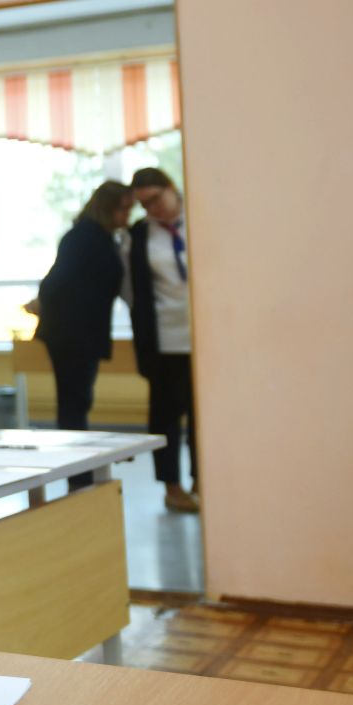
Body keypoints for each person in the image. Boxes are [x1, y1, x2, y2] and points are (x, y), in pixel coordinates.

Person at [33, 181, 133, 431]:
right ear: (109, 208)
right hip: (73, 335)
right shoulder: (86, 236)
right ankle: (79, 469)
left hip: (78, 333)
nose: (128, 216)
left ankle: (81, 469)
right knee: (74, 403)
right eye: (124, 209)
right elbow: (57, 281)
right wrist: (43, 303)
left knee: (76, 401)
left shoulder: (98, 236)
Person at [126, 168, 196, 512]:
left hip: (204, 339)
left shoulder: (201, 214)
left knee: (204, 416)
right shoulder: (139, 235)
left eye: (155, 199)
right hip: (164, 340)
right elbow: (133, 292)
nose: (152, 209)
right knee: (166, 418)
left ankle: (206, 481)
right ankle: (172, 487)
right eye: (144, 204)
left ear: (171, 188)